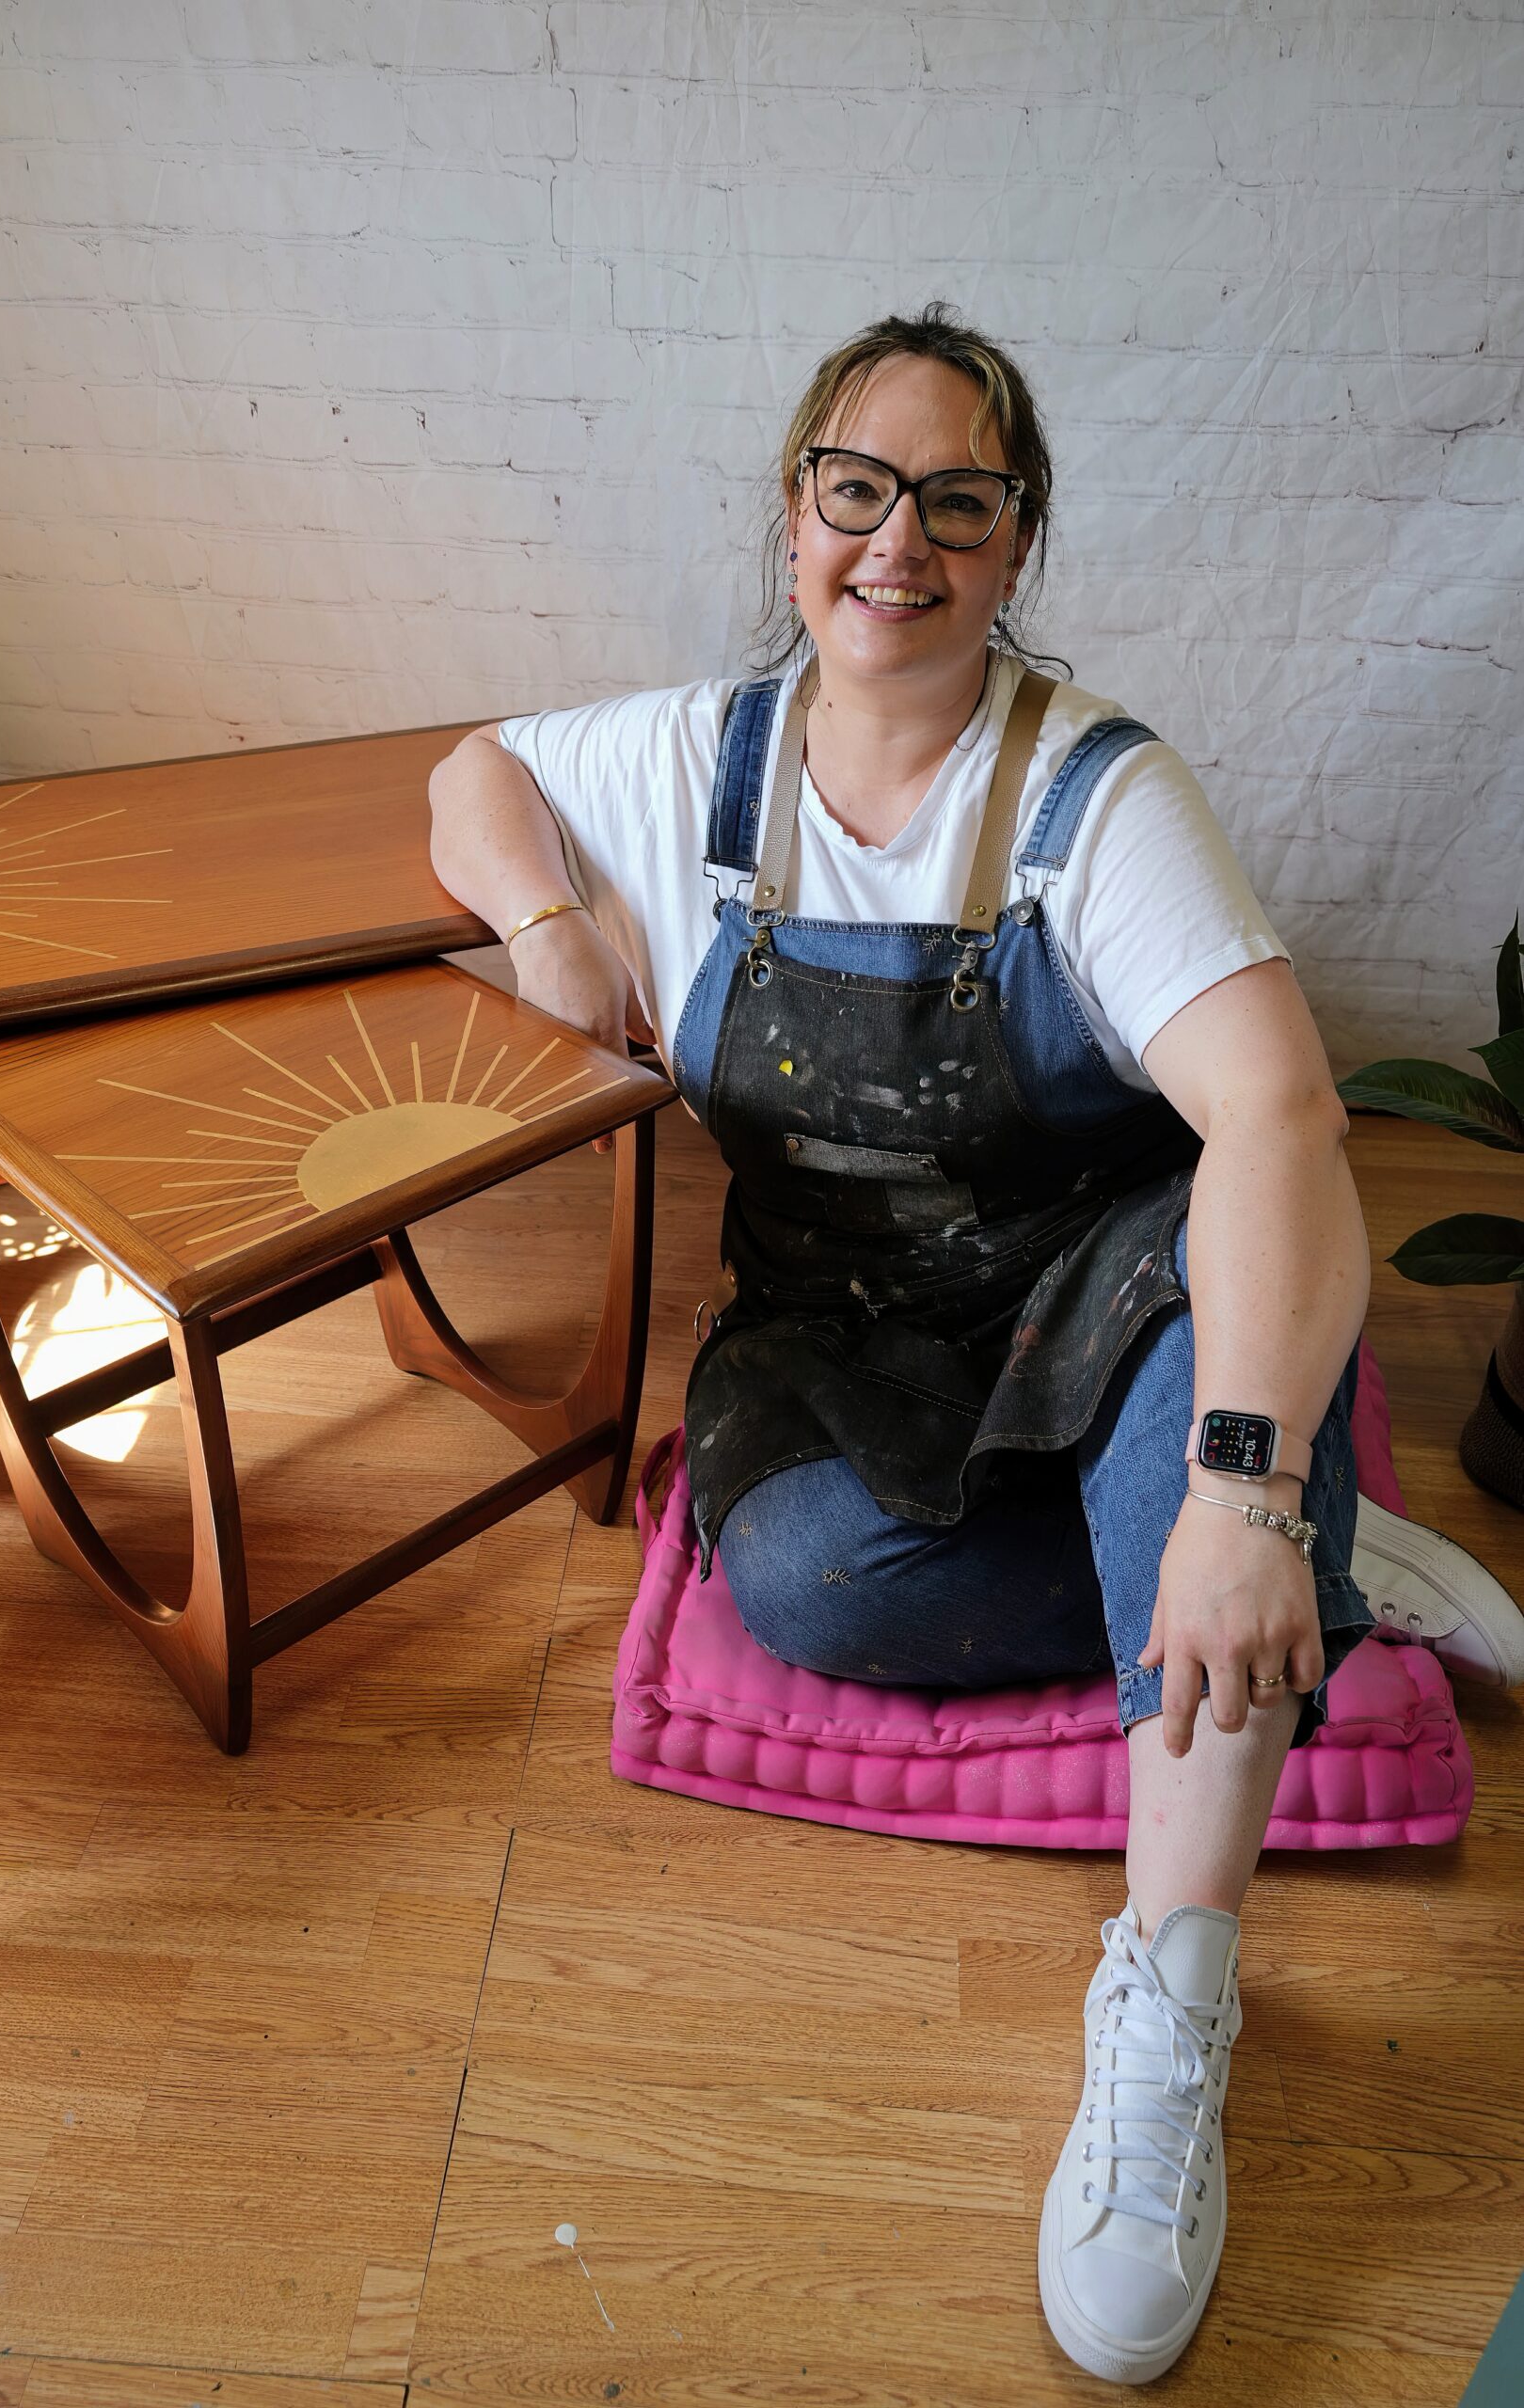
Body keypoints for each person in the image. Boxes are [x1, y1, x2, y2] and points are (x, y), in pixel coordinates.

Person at [428, 303, 1524, 2387]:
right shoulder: (698, 757)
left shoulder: (1092, 793)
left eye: (955, 497)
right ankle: (1321, 1556)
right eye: (858, 488)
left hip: (1104, 1267)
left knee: (1206, 1446)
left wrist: (1223, 1477)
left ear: (1012, 540)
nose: (894, 542)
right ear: (792, 517)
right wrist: (552, 926)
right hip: (839, 1317)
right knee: (804, 1579)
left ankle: (1170, 2001)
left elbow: (1278, 1120)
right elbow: (465, 773)